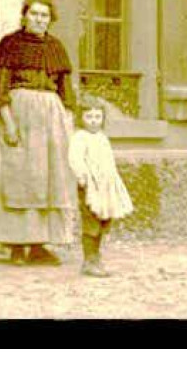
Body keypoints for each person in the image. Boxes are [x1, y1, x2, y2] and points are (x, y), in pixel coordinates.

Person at [0, 0, 78, 265]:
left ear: (50, 19)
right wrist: (8, 123)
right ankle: (15, 246)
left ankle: (38, 245)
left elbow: (66, 92)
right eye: (34, 13)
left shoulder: (57, 48)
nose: (39, 19)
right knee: (17, 178)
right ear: (24, 17)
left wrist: (67, 126)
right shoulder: (8, 44)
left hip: (51, 119)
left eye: (44, 15)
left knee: (47, 179)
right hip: (18, 116)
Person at [67, 93, 134, 277]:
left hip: (105, 187)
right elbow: (75, 159)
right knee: (91, 222)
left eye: (97, 117)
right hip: (90, 186)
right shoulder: (80, 137)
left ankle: (96, 256)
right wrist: (83, 177)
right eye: (89, 117)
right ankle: (89, 260)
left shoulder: (102, 138)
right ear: (81, 118)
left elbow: (108, 161)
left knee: (104, 219)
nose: (93, 121)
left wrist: (113, 182)